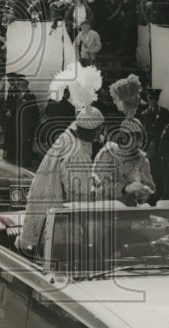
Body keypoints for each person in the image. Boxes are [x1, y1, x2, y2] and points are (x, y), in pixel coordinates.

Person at [16, 107, 104, 254]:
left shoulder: (69, 136)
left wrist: (90, 176)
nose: (100, 134)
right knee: (56, 252)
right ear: (91, 131)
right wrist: (96, 192)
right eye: (99, 130)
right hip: (58, 209)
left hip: (44, 193)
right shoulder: (78, 151)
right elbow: (78, 192)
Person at [3, 74, 39, 170]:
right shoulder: (20, 96)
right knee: (20, 142)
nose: (19, 87)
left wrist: (32, 125)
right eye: (19, 85)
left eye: (21, 85)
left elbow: (34, 112)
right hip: (20, 123)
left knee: (26, 143)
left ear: (25, 86)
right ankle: (21, 159)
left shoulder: (30, 96)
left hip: (27, 124)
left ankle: (26, 161)